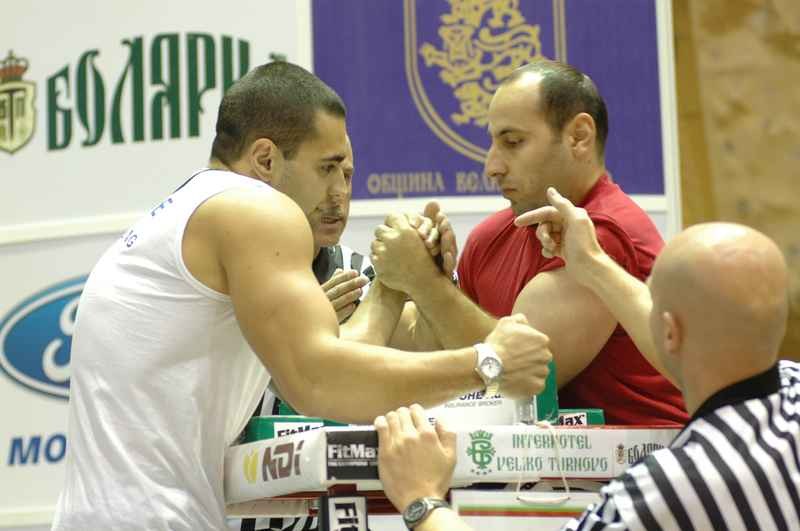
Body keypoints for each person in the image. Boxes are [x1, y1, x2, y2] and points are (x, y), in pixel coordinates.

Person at [51, 62, 553, 531]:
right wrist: (488, 361)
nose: (339, 191)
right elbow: (319, 380)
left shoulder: (188, 211)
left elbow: (319, 370)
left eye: (347, 173)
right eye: (327, 167)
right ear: (266, 158)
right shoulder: (253, 209)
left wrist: (398, 286)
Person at [374, 187, 799, 530]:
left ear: (669, 332)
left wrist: (422, 501)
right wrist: (592, 261)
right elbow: (677, 338)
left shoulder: (664, 492)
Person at [371, 59, 688, 425]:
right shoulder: (490, 237)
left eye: (513, 142)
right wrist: (407, 280)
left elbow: (518, 380)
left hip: (629, 471)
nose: (492, 166)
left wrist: (426, 286)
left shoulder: (607, 234)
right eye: (492, 143)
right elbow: (435, 349)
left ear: (579, 137)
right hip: (536, 472)